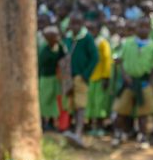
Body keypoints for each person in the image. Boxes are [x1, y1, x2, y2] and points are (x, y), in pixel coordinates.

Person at [113, 18, 153, 148]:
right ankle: (118, 135)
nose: (143, 29)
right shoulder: (127, 43)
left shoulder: (152, 47)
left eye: (146, 27)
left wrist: (150, 83)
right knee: (121, 111)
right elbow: (121, 61)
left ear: (150, 29)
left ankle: (143, 137)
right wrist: (125, 76)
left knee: (143, 114)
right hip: (128, 83)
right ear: (136, 28)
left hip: (144, 83)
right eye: (140, 26)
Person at [64, 13, 99, 147]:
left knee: (80, 105)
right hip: (69, 77)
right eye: (72, 23)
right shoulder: (68, 37)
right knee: (72, 104)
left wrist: (86, 74)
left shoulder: (87, 38)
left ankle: (79, 132)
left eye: (77, 23)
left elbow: (95, 57)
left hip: (80, 77)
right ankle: (73, 131)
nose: (74, 26)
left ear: (82, 24)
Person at [86, 20, 113, 136]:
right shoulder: (87, 42)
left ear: (98, 30)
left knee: (100, 103)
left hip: (100, 78)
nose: (90, 31)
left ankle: (100, 126)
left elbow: (107, 61)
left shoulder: (103, 43)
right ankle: (92, 126)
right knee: (91, 102)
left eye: (93, 29)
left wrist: (106, 77)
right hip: (90, 77)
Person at [38, 26, 66, 131]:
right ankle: (42, 121)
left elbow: (63, 57)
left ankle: (51, 122)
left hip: (55, 78)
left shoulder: (59, 47)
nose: (57, 38)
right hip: (45, 78)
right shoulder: (44, 49)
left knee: (54, 100)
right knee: (44, 100)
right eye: (55, 36)